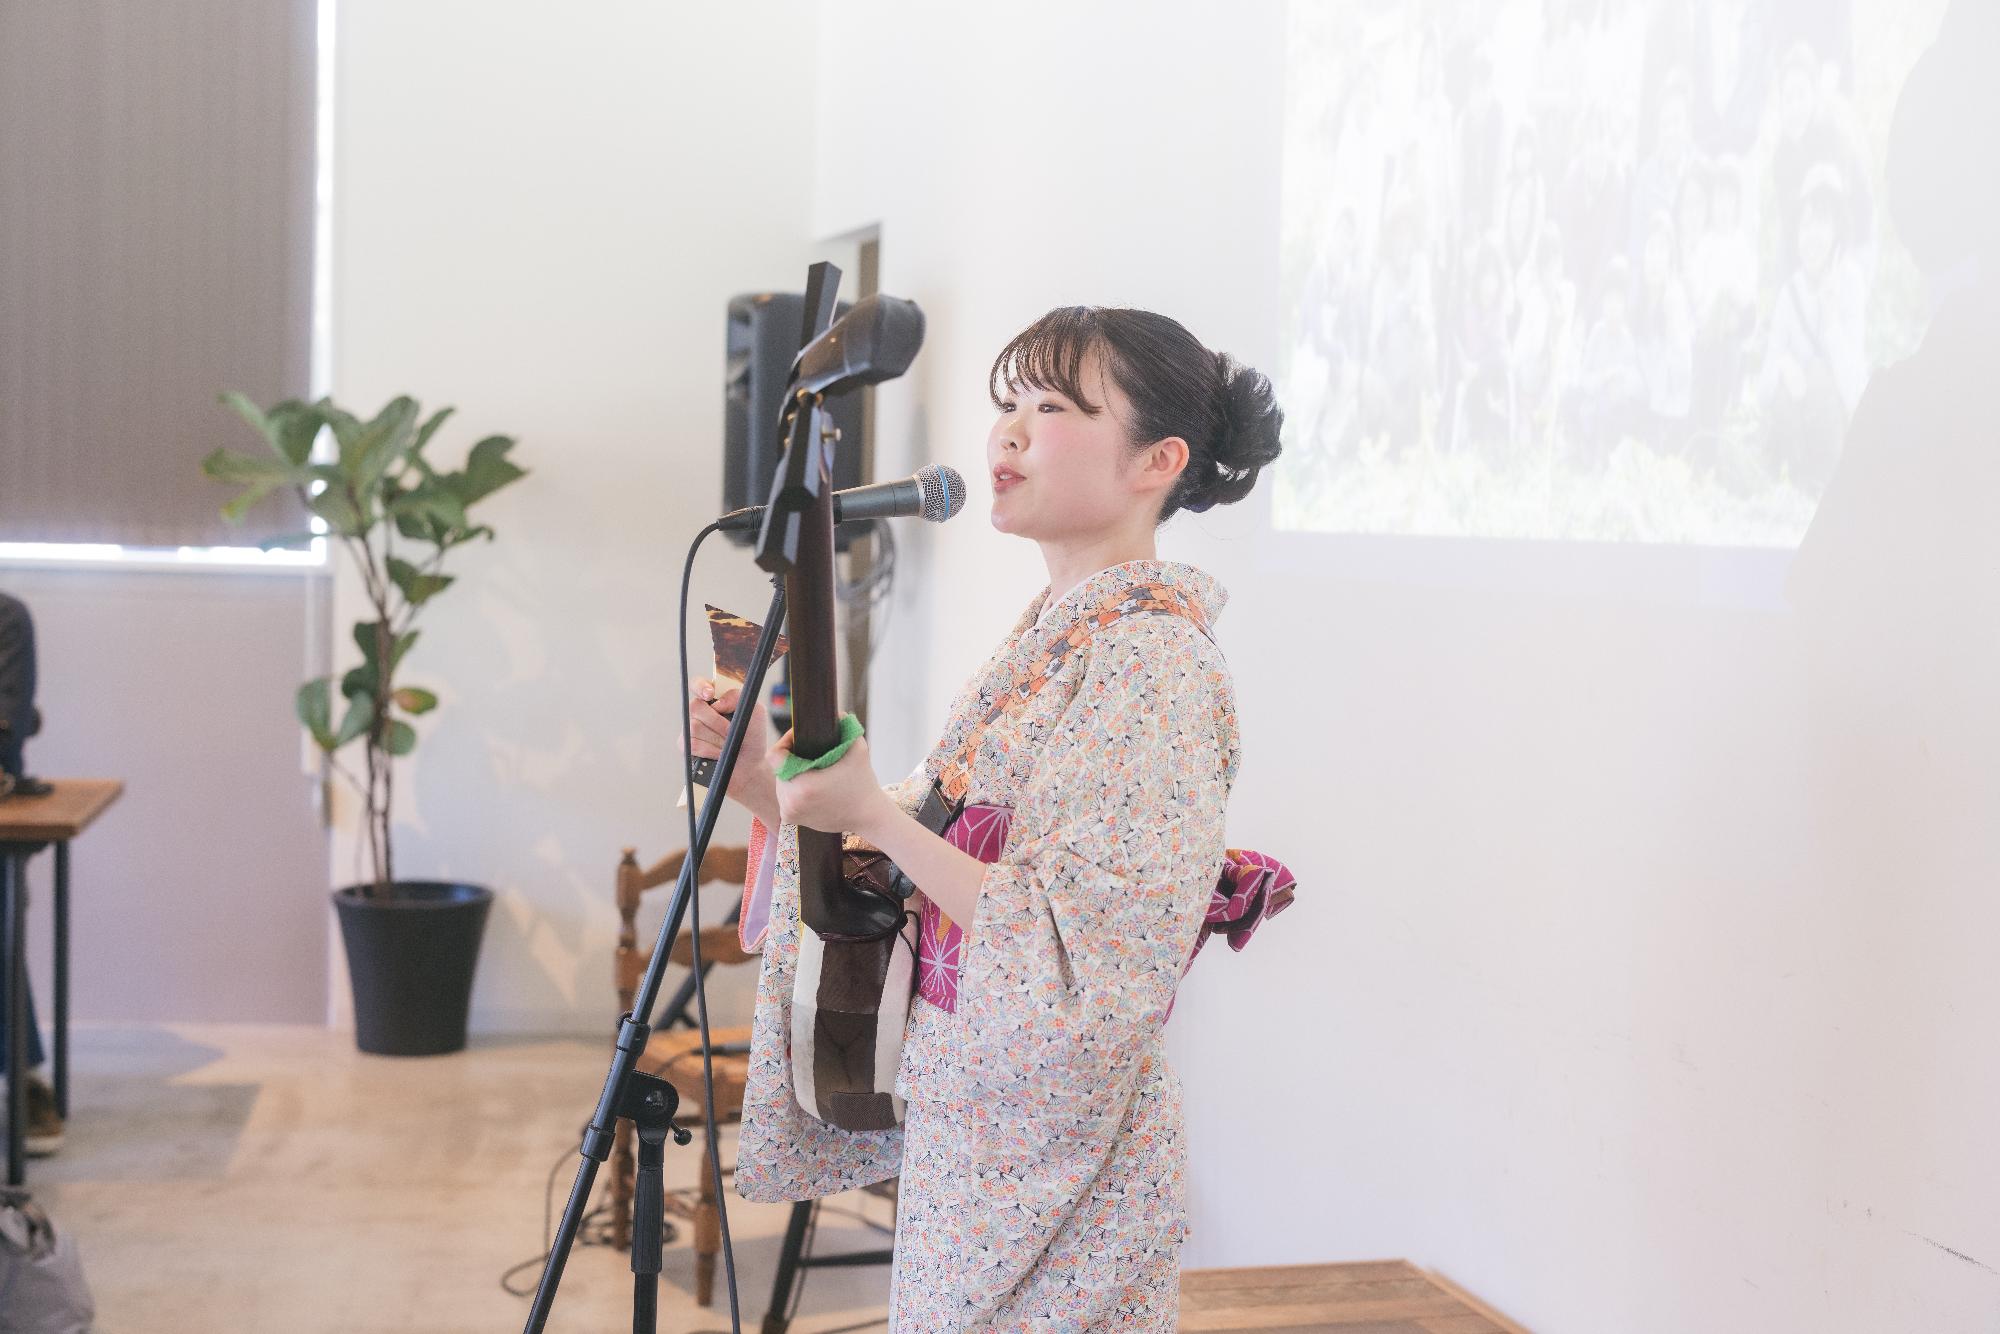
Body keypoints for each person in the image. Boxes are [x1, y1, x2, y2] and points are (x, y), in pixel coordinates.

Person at [688, 305, 1281, 1329]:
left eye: (1050, 405)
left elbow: (1083, 948)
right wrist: (766, 790)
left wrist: (871, 806)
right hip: (976, 1134)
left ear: (1157, 460)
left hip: (1064, 1165)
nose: (1006, 431)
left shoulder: (1155, 663)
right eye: (1007, 402)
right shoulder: (1048, 641)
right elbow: (908, 867)